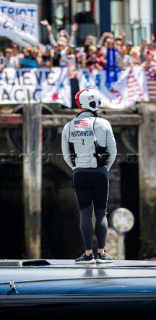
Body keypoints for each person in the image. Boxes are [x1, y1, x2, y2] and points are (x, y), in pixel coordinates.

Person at [61, 88, 117, 264]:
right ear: (93, 104)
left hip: (80, 173)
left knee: (85, 214)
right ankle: (100, 253)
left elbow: (65, 155)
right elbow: (113, 151)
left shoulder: (68, 126)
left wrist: (77, 168)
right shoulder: (104, 124)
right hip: (99, 172)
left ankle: (87, 255)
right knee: (101, 212)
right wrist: (104, 168)